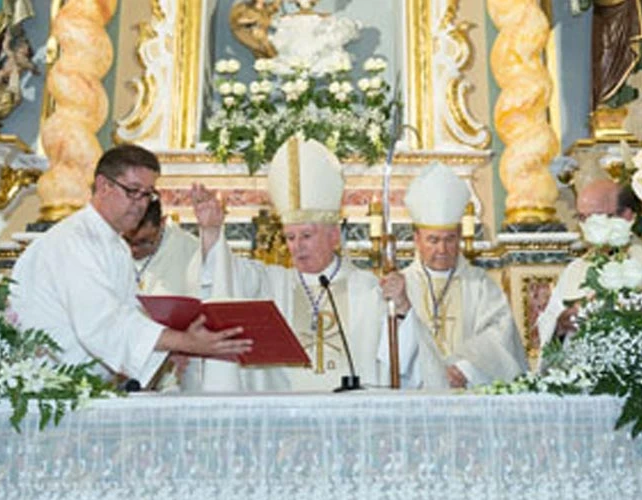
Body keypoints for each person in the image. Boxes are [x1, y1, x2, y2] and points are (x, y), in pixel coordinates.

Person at [182, 136, 424, 392]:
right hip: (284, 416)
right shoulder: (271, 283)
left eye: (306, 236)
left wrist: (402, 307)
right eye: (290, 237)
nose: (297, 246)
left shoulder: (368, 289)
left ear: (334, 237)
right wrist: (211, 231)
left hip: (354, 415)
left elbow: (406, 359)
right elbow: (223, 276)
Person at [10, 144, 252, 389]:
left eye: (148, 194)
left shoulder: (114, 244)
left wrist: (169, 349)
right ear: (104, 186)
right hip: (48, 389)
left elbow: (129, 314)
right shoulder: (75, 241)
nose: (141, 204)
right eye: (133, 191)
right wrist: (185, 342)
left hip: (80, 388)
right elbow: (103, 321)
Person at [401, 163, 528, 389]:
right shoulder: (403, 285)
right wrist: (430, 373)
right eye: (433, 240)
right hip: (417, 390)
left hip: (468, 388)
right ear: (417, 239)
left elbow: (500, 331)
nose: (442, 249)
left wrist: (466, 369)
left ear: (460, 236)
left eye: (449, 239)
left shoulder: (478, 283)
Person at [537, 178, 642, 347]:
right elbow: (550, 324)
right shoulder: (574, 270)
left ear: (625, 216)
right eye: (582, 217)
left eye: (596, 216)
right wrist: (560, 324)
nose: (588, 225)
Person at [124, 199, 200, 295]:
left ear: (162, 223)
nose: (133, 250)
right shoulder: (106, 245)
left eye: (144, 242)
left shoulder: (191, 252)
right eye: (127, 240)